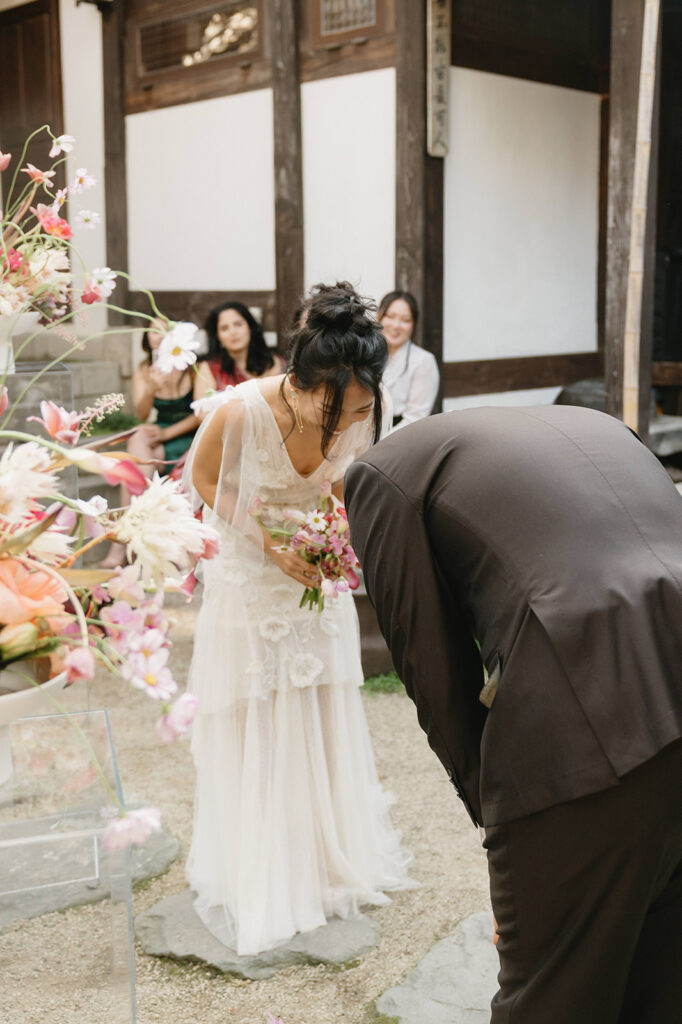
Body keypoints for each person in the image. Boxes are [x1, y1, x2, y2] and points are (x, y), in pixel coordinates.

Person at [344, 404, 682, 1024]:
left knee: (554, 993)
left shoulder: (378, 475)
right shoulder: (598, 421)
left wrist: (502, 833)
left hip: (587, 705)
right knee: (662, 972)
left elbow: (433, 670)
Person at [183, 282, 413, 956]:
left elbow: (343, 481)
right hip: (252, 576)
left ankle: (322, 862)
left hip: (316, 573)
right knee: (260, 716)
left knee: (317, 711)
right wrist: (269, 545)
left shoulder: (367, 408)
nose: (344, 422)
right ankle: (265, 870)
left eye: (359, 407)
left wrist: (336, 536)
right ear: (298, 380)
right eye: (329, 407)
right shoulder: (239, 411)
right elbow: (204, 481)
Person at [101, 320, 199, 567]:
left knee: (135, 459)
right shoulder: (145, 368)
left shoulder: (191, 365)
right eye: (154, 331)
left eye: (166, 330)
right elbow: (142, 413)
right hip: (159, 434)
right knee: (138, 434)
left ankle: (123, 540)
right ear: (147, 338)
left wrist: (166, 435)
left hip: (189, 434)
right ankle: (134, 525)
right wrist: (151, 389)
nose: (160, 335)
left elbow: (200, 413)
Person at [192, 300, 284, 412]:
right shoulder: (209, 367)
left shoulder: (273, 362)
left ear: (250, 327)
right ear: (217, 336)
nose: (233, 332)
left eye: (238, 324)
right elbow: (202, 414)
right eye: (224, 328)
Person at [376, 290, 439, 429]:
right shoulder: (368, 355)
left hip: (401, 438)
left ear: (413, 324)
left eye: (405, 320)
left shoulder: (424, 361)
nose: (396, 325)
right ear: (378, 316)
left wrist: (379, 442)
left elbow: (416, 418)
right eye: (390, 316)